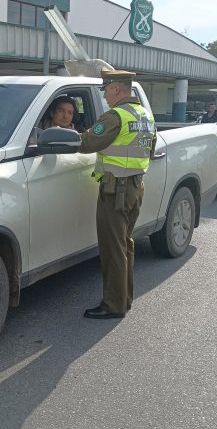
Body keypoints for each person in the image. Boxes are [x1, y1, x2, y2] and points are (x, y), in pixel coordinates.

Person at [79, 69, 156, 319]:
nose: (105, 97)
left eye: (106, 91)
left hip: (116, 191)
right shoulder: (145, 115)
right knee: (125, 245)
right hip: (135, 187)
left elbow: (87, 142)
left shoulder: (115, 116)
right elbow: (150, 150)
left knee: (113, 249)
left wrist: (73, 134)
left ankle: (113, 305)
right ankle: (124, 299)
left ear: (115, 88)